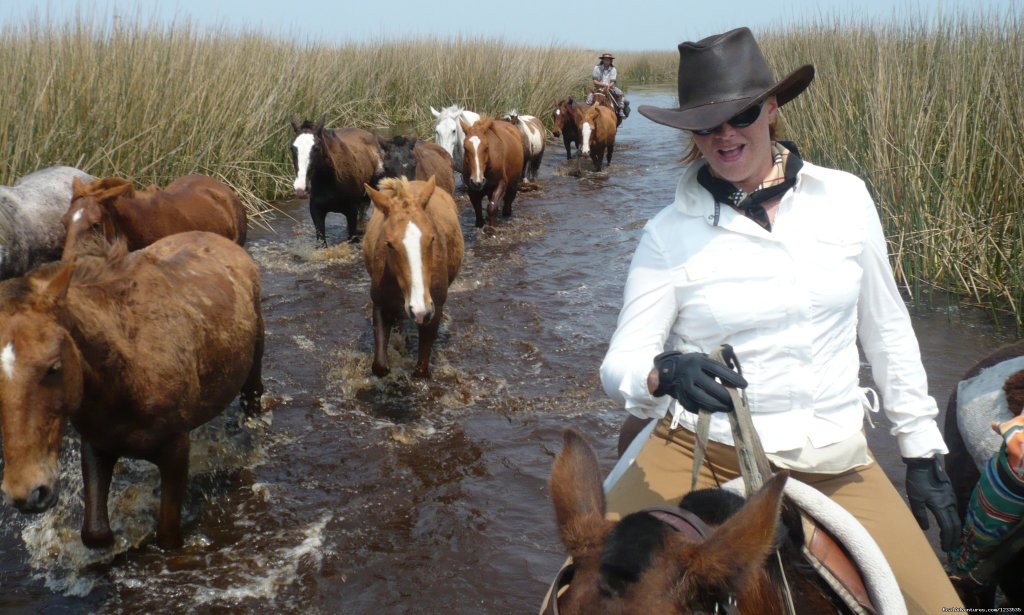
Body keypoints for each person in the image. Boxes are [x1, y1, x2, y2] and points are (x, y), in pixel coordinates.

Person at [598, 27, 963, 614]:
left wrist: (920, 449)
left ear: (771, 109)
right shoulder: (667, 234)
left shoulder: (846, 199)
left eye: (740, 115)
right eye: (705, 124)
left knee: (938, 608)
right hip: (702, 448)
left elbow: (887, 329)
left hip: (831, 462)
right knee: (589, 574)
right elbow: (619, 362)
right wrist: (662, 372)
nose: (724, 135)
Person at [587, 52, 626, 119]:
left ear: (611, 61)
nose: (606, 61)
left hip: (610, 87)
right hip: (598, 86)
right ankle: (587, 110)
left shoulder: (613, 69)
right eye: (605, 59)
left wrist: (608, 86)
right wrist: (603, 84)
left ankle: (621, 110)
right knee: (589, 97)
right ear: (602, 60)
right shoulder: (597, 68)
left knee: (620, 94)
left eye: (608, 60)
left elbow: (613, 81)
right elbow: (595, 80)